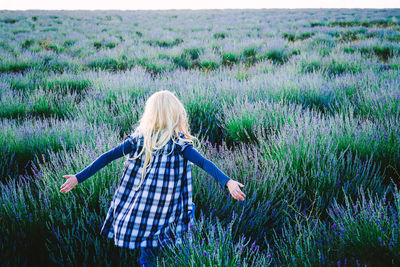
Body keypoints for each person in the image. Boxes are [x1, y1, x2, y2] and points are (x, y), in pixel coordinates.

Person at [60, 90, 246, 266]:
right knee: (177, 251)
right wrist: (227, 182)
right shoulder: (178, 144)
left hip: (145, 213)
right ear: (176, 114)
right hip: (170, 212)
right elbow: (205, 163)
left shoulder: (140, 140)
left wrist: (78, 178)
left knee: (148, 256)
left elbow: (107, 157)